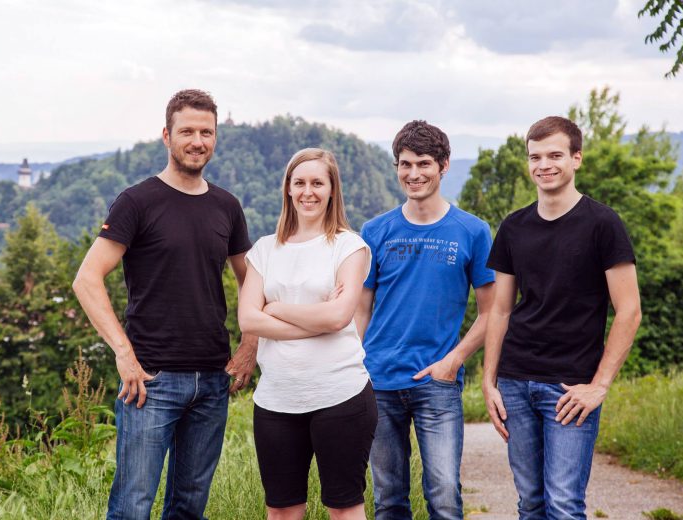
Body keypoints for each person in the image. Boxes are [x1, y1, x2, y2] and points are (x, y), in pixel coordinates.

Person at [72, 89, 257, 520]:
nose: (197, 141)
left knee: (190, 507)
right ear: (166, 136)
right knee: (132, 508)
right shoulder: (137, 201)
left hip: (213, 380)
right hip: (150, 381)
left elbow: (251, 281)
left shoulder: (226, 206)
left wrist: (250, 346)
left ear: (216, 138)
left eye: (206, 132)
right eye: (187, 131)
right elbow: (86, 279)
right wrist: (124, 355)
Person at [482, 116, 642, 520]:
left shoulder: (602, 224)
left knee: (564, 505)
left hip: (571, 387)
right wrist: (489, 381)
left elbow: (629, 310)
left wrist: (599, 385)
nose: (544, 165)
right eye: (535, 157)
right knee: (530, 503)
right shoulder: (514, 227)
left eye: (555, 155)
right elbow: (500, 309)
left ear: (577, 158)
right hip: (516, 381)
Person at [354, 120, 496, 520]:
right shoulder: (375, 230)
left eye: (423, 164)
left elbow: (493, 311)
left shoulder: (472, 231)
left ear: (444, 166)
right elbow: (361, 308)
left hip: (438, 382)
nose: (413, 174)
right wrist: (355, 365)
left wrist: (454, 360)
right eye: (405, 164)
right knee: (388, 501)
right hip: (378, 380)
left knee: (445, 496)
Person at [238, 148, 377, 520]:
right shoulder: (265, 249)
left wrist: (278, 308)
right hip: (276, 402)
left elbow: (337, 318)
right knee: (282, 512)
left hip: (340, 395)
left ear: (333, 190)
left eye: (318, 183)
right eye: (299, 183)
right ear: (287, 189)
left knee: (344, 509)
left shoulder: (350, 246)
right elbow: (248, 320)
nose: (308, 191)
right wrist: (315, 320)